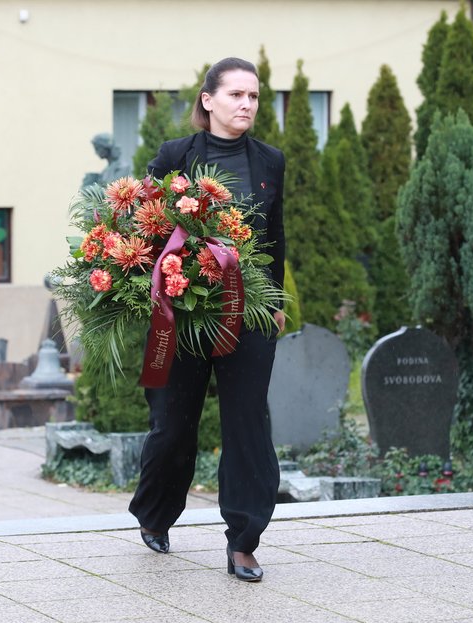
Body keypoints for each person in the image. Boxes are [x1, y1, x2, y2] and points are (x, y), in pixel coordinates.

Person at [128, 57, 287, 582]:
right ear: (208, 100)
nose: (247, 105)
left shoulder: (270, 161)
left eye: (254, 97)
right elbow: (144, 227)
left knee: (248, 427)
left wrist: (277, 300)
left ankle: (244, 541)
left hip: (249, 314)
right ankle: (155, 513)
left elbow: (274, 239)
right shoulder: (176, 156)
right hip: (184, 311)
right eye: (237, 95)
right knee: (173, 424)